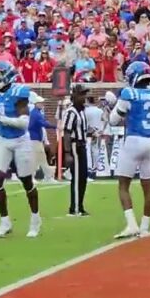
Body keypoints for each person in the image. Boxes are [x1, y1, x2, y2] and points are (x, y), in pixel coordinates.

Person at [0, 61, 41, 238]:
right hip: (3, 139)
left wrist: (0, 118)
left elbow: (24, 122)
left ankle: (35, 219)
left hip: (20, 139)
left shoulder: (20, 92)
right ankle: (5, 221)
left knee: (26, 181)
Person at [110, 62, 150, 239]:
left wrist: (113, 106)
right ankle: (145, 227)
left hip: (133, 140)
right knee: (148, 187)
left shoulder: (129, 93)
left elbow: (113, 120)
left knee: (123, 185)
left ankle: (132, 224)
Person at [62, 86, 90, 218]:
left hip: (82, 145)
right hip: (75, 146)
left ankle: (80, 205)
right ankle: (75, 208)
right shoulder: (71, 112)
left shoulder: (82, 112)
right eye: (81, 95)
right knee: (77, 178)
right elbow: (67, 132)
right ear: (75, 96)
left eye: (84, 95)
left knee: (83, 177)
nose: (84, 97)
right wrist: (67, 153)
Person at [28, 92, 57, 184]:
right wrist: (55, 126)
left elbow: (44, 123)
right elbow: (44, 123)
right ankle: (33, 177)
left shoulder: (36, 113)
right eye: (41, 103)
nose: (42, 104)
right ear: (36, 104)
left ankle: (47, 176)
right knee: (36, 159)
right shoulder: (35, 114)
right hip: (34, 139)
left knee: (41, 158)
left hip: (36, 139)